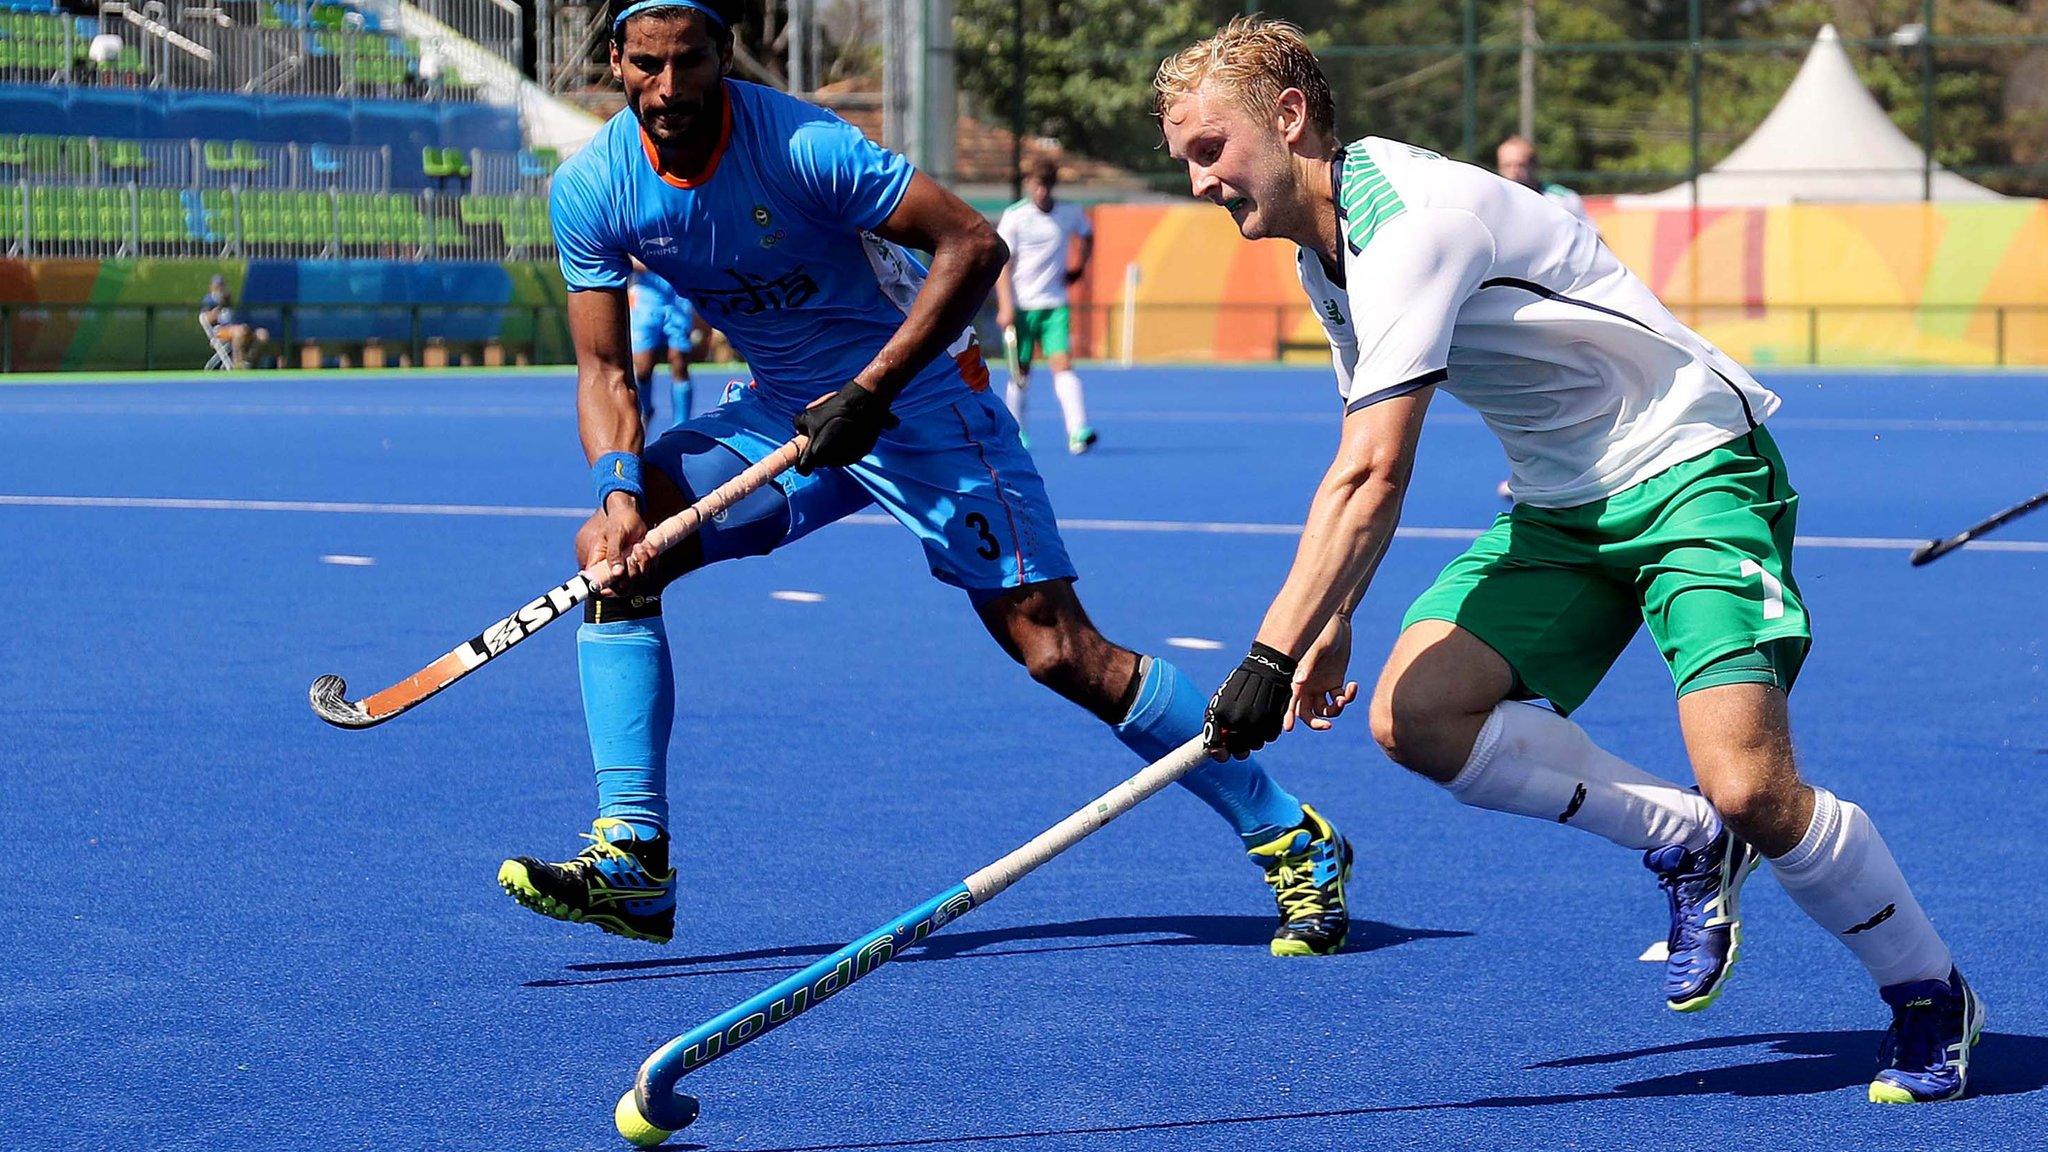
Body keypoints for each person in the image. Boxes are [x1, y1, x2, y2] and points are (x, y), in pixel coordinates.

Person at [1157, 16, 1981, 1102]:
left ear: (1289, 117)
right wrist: (1331, 618)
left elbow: (1374, 473)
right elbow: (1355, 451)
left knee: (1751, 787)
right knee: (1417, 716)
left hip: (1689, 468)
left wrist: (1267, 655)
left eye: (1208, 149)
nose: (1198, 182)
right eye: (1182, 161)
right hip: (1558, 504)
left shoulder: (1411, 223)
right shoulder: (1329, 256)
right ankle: (1681, 839)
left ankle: (1927, 993)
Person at [495, 0, 1355, 961]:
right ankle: (635, 856)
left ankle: (1289, 832)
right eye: (645, 64)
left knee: (1058, 651)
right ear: (614, 59)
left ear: (723, 55)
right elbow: (606, 374)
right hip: (785, 411)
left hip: (925, 403)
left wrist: (871, 390)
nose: (667, 88)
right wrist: (619, 498)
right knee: (619, 554)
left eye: (688, 62)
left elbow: (974, 245)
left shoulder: (805, 147)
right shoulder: (595, 186)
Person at [995, 158, 1097, 454]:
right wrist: (1005, 306)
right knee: (1021, 372)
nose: (1041, 191)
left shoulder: (1069, 213)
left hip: (1055, 305)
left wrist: (1078, 268)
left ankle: (1078, 431)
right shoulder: (1015, 217)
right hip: (1022, 307)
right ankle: (1017, 432)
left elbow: (1088, 235)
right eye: (1036, 185)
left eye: (1046, 185)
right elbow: (1003, 265)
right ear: (1028, 185)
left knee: (1063, 365)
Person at [629, 260, 710, 426]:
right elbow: (625, 257)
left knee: (679, 360)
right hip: (647, 300)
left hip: (678, 298)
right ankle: (646, 410)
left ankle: (681, 425)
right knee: (643, 368)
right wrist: (655, 263)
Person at [1495, 134, 1590, 225]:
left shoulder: (1562, 199)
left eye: (1520, 165)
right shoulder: (1493, 203)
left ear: (1535, 165)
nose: (1514, 171)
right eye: (1507, 165)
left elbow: (1593, 238)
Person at [199, 274, 266, 369]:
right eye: (217, 285)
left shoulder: (229, 299)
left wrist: (229, 302)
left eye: (222, 284)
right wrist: (220, 305)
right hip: (220, 332)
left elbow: (237, 317)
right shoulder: (210, 299)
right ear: (211, 287)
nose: (220, 287)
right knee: (238, 332)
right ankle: (237, 363)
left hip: (237, 328)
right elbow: (206, 318)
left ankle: (247, 362)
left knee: (262, 334)